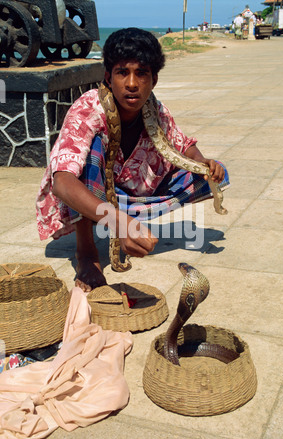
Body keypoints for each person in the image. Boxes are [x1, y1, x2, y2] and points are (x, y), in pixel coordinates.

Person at [36, 28, 229, 292]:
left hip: (131, 194)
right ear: (107, 77)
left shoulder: (155, 108)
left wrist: (202, 161)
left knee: (213, 175)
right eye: (122, 72)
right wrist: (118, 223)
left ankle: (126, 217)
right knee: (89, 153)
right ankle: (87, 252)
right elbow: (62, 183)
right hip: (97, 194)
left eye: (141, 73)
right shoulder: (88, 108)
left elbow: (183, 144)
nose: (131, 83)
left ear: (154, 80)